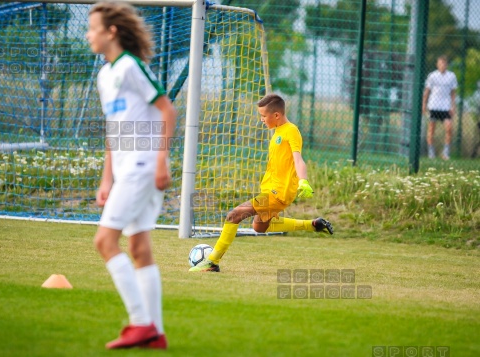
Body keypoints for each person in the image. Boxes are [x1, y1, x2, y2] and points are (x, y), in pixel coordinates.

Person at [86, 2, 176, 349]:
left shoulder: (130, 67)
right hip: (127, 171)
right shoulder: (105, 75)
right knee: (138, 247)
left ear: (111, 32)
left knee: (104, 242)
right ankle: (157, 334)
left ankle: (141, 324)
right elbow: (115, 130)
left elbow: (167, 108)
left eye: (92, 28)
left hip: (143, 166)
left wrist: (161, 159)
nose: (88, 35)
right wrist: (106, 178)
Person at [189, 93, 333, 273]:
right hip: (272, 191)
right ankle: (313, 225)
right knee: (259, 226)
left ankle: (212, 262)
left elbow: (298, 159)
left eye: (264, 116)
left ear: (276, 115)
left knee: (234, 215)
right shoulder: (278, 132)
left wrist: (303, 181)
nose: (261, 120)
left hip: (277, 193)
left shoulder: (291, 131)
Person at [422, 55, 458, 160]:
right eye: (440, 63)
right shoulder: (432, 76)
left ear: (447, 65)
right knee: (431, 129)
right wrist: (424, 104)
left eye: (444, 63)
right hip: (433, 106)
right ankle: (431, 153)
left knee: (449, 128)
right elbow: (427, 91)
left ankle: (445, 153)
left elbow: (453, 93)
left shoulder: (451, 76)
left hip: (446, 107)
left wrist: (453, 106)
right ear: (437, 64)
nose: (442, 65)